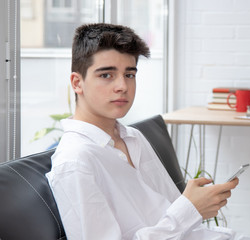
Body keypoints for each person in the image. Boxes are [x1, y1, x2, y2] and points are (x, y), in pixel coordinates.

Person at [46, 23, 239, 240]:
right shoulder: (75, 162)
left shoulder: (133, 137)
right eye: (107, 75)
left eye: (129, 74)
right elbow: (181, 217)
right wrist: (189, 210)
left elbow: (175, 215)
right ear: (77, 83)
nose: (122, 86)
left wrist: (196, 205)